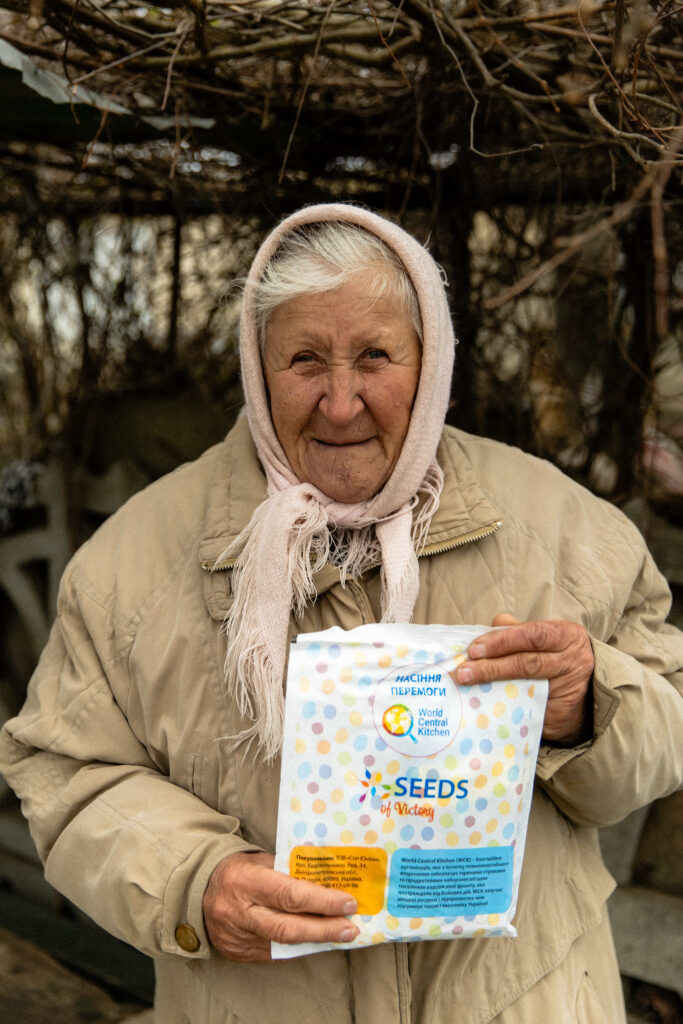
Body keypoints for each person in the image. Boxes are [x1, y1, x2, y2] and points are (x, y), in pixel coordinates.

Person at [1, 203, 682, 1024]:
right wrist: (192, 880)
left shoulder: (567, 533)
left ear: (428, 362)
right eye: (304, 359)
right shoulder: (131, 564)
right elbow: (67, 777)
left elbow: (667, 723)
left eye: (374, 356)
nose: (339, 401)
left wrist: (585, 706)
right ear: (257, 367)